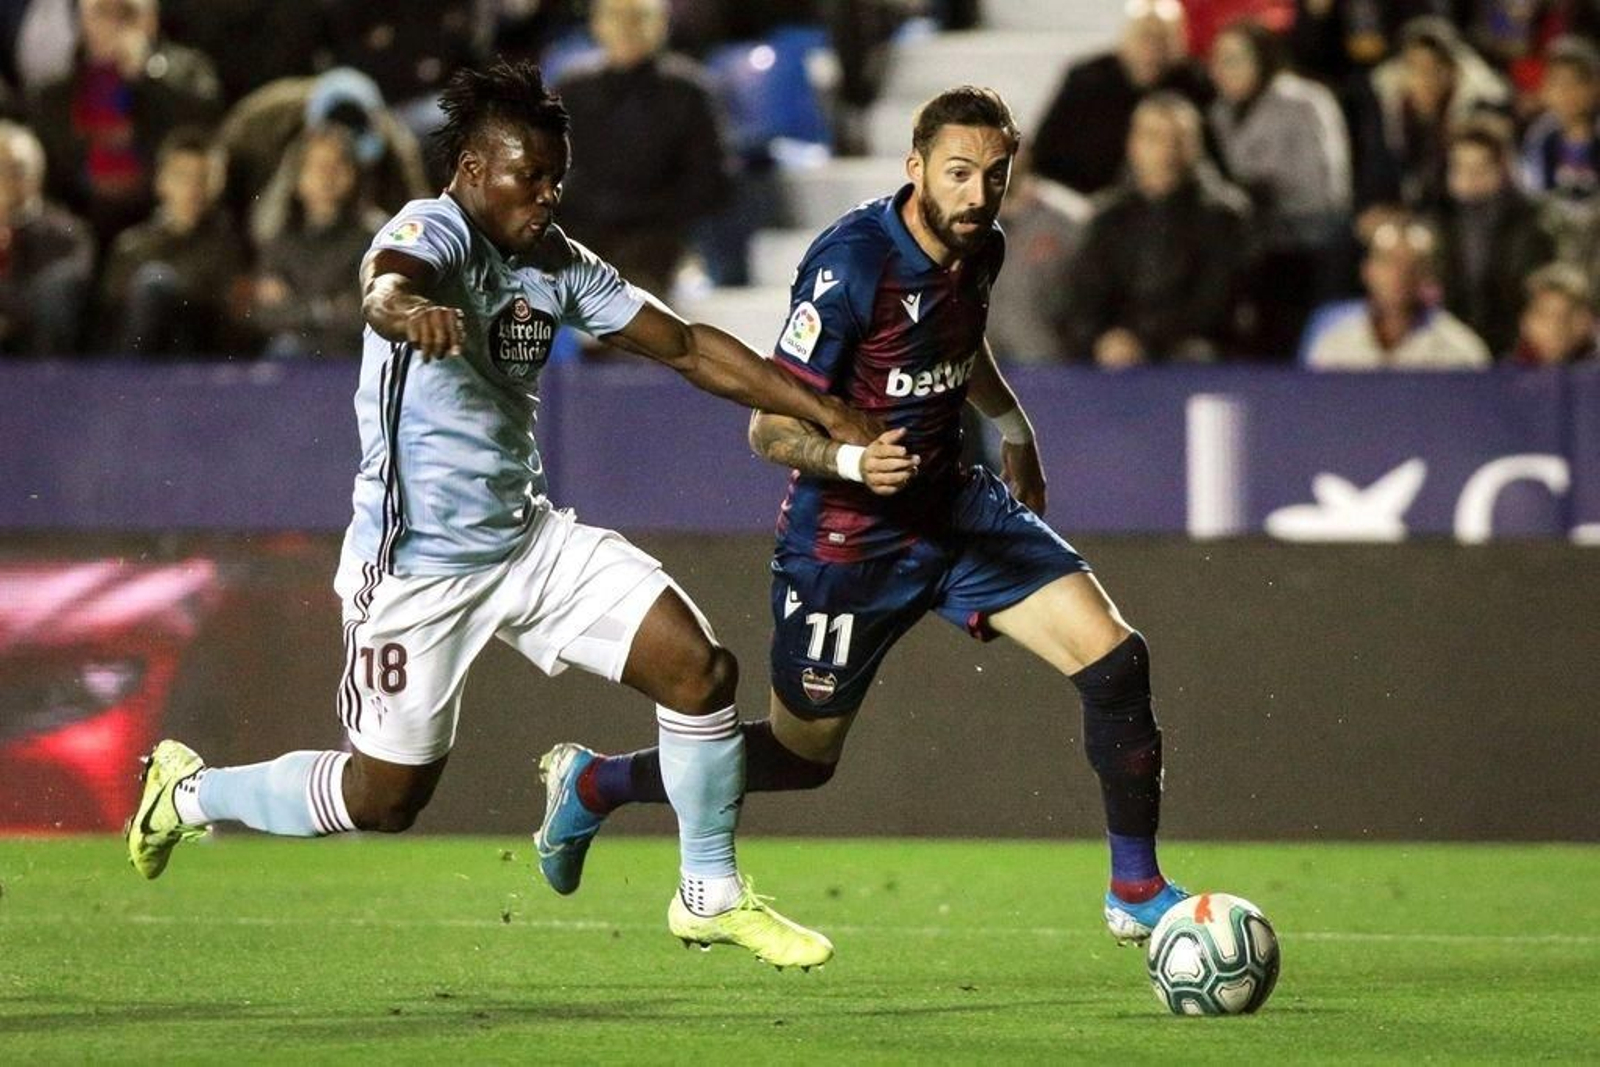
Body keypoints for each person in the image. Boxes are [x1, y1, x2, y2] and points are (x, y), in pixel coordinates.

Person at [125, 60, 879, 971]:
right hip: (416, 569)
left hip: (529, 542)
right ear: (474, 169)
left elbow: (681, 345)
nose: (549, 194)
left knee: (700, 669)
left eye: (558, 177)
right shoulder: (430, 229)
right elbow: (385, 283)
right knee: (383, 799)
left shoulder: (553, 260)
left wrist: (819, 408)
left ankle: (707, 895)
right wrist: (406, 312)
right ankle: (190, 792)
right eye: (532, 176)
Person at [533, 85, 1191, 949]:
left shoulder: (980, 246)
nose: (976, 195)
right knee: (802, 760)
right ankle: (596, 784)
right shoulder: (851, 265)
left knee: (1115, 660)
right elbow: (768, 424)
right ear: (914, 168)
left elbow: (957, 344)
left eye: (994, 176)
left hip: (958, 510)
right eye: (957, 173)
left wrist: (1012, 424)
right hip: (848, 542)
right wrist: (849, 458)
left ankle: (1134, 890)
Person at [552, 0, 732, 302]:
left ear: (661, 24)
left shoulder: (690, 91)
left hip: (660, 233)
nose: (626, 28)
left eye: (639, 18)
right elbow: (552, 170)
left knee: (636, 290)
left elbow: (710, 181)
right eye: (616, 17)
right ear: (596, 24)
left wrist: (648, 210)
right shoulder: (571, 90)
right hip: (583, 228)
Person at [1062, 93, 1253, 366]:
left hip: (1185, 350)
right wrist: (1101, 338)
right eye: (1154, 137)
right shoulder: (1109, 216)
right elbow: (1085, 295)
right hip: (1113, 354)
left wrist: (1143, 342)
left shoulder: (1223, 215)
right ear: (1133, 145)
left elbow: (1214, 304)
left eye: (1180, 139)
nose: (1167, 150)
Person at [1208, 19, 1351, 358]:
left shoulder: (1304, 102)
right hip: (1251, 247)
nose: (1222, 71)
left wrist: (1255, 192)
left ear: (1262, 58)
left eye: (1234, 59)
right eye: (1218, 61)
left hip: (1307, 246)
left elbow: (1325, 188)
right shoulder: (1219, 113)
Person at [1031, 0, 1212, 197]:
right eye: (1145, 36)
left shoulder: (1195, 85)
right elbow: (1044, 153)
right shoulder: (1086, 80)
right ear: (1126, 38)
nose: (1152, 48)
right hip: (1083, 201)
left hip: (1174, 205)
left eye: (1161, 39)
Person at [97, 126, 246, 356]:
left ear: (220, 183)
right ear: (161, 181)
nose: (193, 188)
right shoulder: (131, 246)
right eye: (182, 176)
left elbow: (231, 316)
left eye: (204, 177)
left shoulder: (233, 247)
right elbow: (113, 315)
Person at [250, 123, 388, 359]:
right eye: (316, 167)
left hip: (355, 357)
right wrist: (327, 308)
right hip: (297, 357)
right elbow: (266, 313)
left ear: (352, 172)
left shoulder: (376, 236)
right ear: (297, 178)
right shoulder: (281, 240)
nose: (326, 175)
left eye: (336, 165)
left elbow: (367, 310)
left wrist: (298, 306)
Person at [1432, 117, 1554, 357]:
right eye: (1460, 168)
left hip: (1511, 351)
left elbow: (1529, 293)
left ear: (1501, 170)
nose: (1469, 179)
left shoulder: (1530, 225)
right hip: (1449, 351)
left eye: (1479, 169)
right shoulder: (1436, 223)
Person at [1300, 218, 1491, 369]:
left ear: (1429, 275)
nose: (1399, 275)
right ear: (1367, 271)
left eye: (1413, 265)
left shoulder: (1461, 353)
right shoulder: (1334, 346)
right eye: (1388, 262)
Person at [0, 119, 95, 356]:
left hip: (39, 353)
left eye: (17, 169)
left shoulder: (69, 232)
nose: (6, 179)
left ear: (38, 174)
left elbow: (62, 291)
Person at [1507, 261, 1597, 364]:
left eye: (1566, 316)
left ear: (1587, 320)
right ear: (1525, 321)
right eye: (1545, 315)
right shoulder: (1498, 377)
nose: (1555, 327)